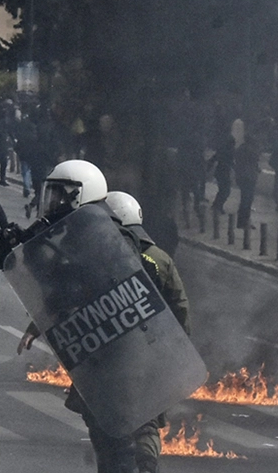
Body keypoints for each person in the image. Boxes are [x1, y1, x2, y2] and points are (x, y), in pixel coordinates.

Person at [101, 191, 192, 473]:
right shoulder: (160, 258)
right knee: (148, 417)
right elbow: (180, 306)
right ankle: (147, 462)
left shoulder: (103, 255)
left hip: (112, 350)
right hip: (152, 348)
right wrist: (178, 347)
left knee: (109, 420)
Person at [233, 135, 260, 229]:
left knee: (245, 199)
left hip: (242, 176)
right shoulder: (251, 150)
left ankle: (242, 221)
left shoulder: (240, 149)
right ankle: (243, 222)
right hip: (249, 177)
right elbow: (254, 161)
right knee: (247, 200)